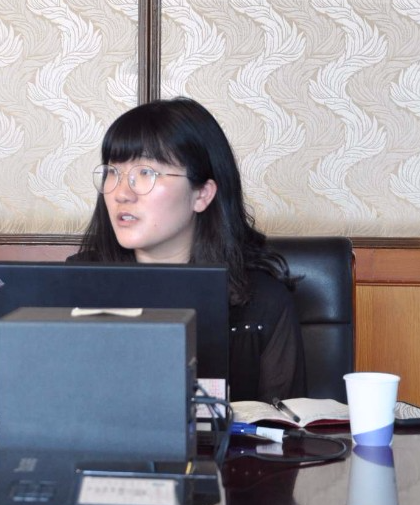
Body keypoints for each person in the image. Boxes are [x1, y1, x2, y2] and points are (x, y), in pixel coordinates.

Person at [69, 97, 306, 403]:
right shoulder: (78, 284)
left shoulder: (263, 301)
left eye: (146, 173)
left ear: (202, 194)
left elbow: (287, 427)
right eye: (113, 172)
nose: (121, 193)